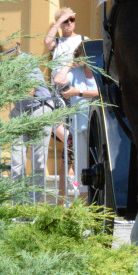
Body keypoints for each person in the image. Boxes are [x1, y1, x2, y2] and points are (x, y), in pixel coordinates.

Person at [0, 42, 51, 204]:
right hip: (20, 110)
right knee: (16, 162)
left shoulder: (26, 62)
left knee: (38, 162)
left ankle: (32, 206)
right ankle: (17, 205)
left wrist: (5, 90)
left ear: (15, 53)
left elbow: (29, 91)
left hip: (39, 109)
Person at [53, 42, 99, 197]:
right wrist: (70, 63)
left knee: (98, 166)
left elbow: (101, 91)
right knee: (81, 169)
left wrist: (79, 92)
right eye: (84, 54)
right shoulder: (76, 72)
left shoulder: (101, 71)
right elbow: (58, 80)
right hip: (79, 127)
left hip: (99, 127)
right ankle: (84, 204)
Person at [44, 7, 84, 90]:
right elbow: (47, 42)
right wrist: (59, 21)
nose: (69, 23)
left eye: (72, 19)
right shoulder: (57, 42)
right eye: (65, 21)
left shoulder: (83, 40)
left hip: (77, 86)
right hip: (58, 89)